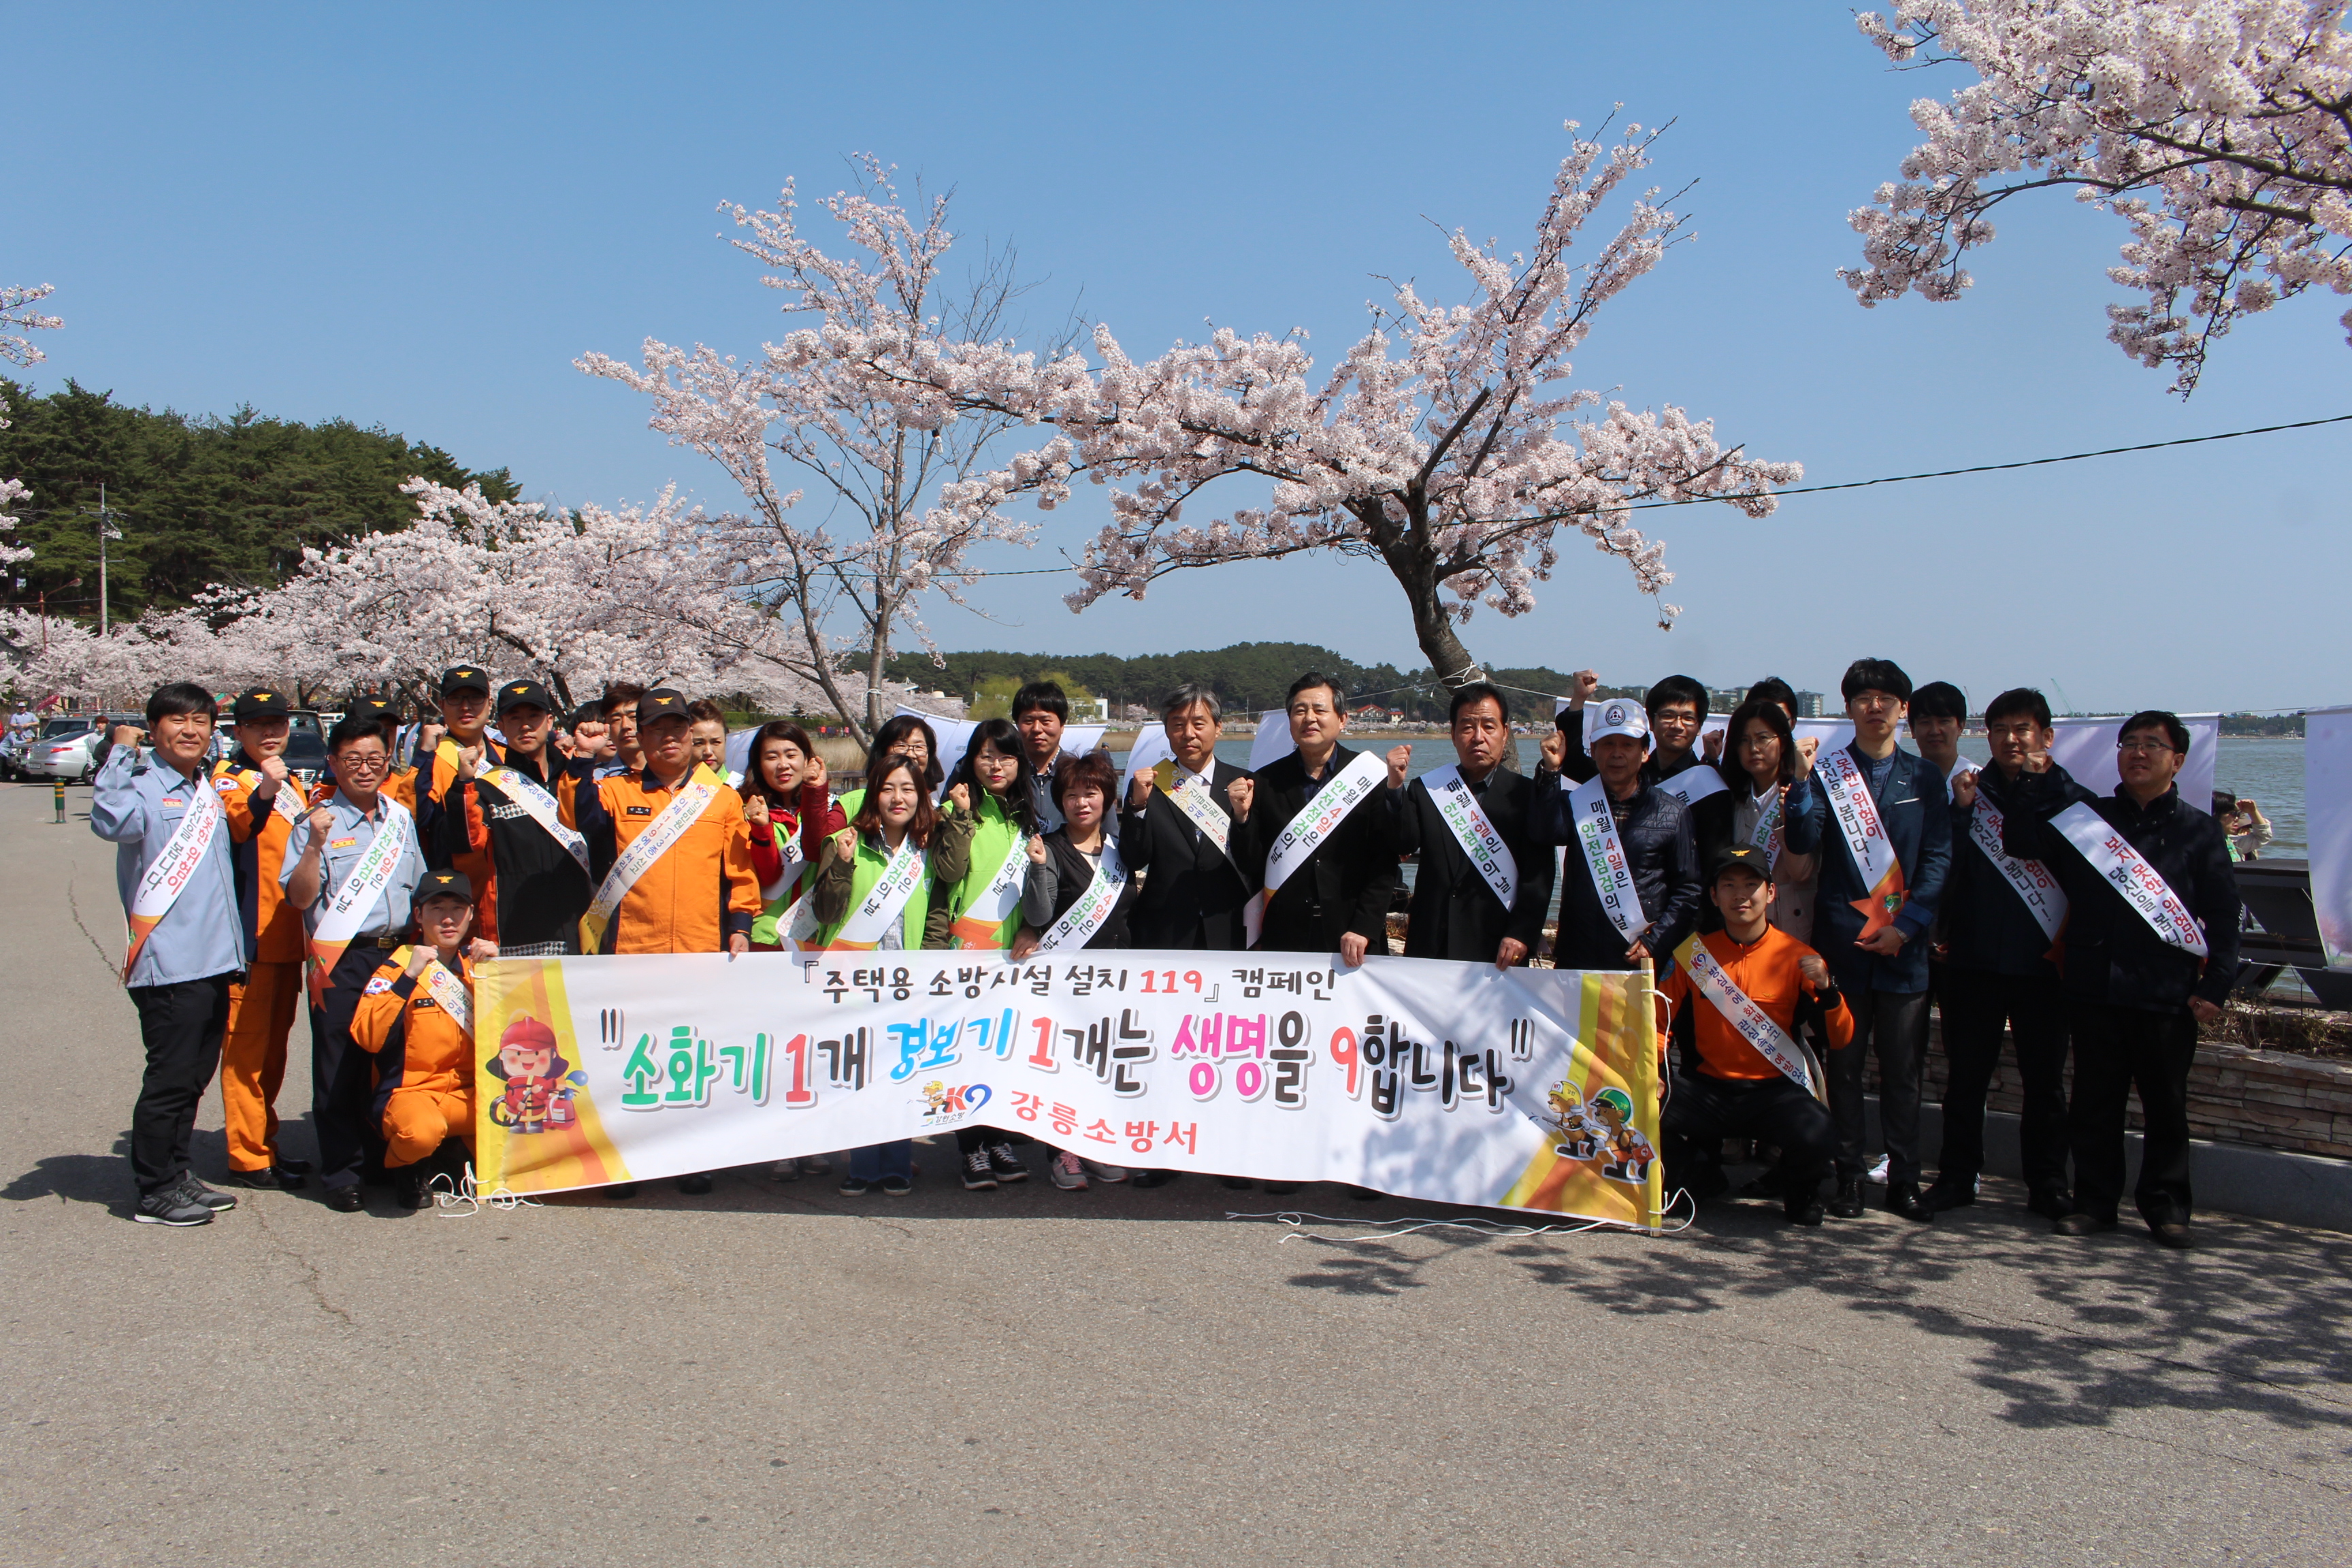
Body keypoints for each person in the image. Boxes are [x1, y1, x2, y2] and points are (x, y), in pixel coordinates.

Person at [2002, 710, 2240, 1248]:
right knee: (2094, 1103)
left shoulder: (2200, 830)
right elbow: (2020, 842)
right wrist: (2032, 782)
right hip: (2095, 984)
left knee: (2166, 1106)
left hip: (2167, 990)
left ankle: (2167, 1207)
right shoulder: (2091, 819)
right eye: (2129, 743)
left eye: (2152, 744)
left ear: (2178, 760)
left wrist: (2217, 985)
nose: (2138, 752)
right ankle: (2095, 1203)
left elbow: (2225, 915)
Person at [562, 687, 762, 1198]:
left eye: (677, 728)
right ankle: (624, 1160)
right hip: (632, 947)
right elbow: (577, 819)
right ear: (641, 737)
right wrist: (582, 760)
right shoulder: (614, 790)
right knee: (630, 1058)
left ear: (691, 735)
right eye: (657, 729)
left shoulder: (721, 797)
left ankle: (690, 1156)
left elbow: (739, 872)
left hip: (699, 947)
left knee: (690, 1056)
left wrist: (740, 926)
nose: (668, 738)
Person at [92, 684, 249, 1226]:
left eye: (200, 721)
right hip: (169, 964)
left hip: (215, 960)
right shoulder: (140, 786)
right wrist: (119, 751)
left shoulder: (203, 788)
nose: (190, 730)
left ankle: (179, 1174)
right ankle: (154, 1189)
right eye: (178, 720)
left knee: (193, 1079)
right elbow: (111, 823)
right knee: (169, 1080)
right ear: (154, 730)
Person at [1812, 657, 1950, 1224]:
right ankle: (1847, 1176)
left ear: (1903, 709)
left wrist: (1907, 926)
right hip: (1844, 947)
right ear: (1848, 708)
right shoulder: (1827, 774)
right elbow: (1804, 841)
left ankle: (1904, 1179)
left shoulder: (1925, 778)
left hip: (1904, 949)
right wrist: (1798, 783)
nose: (1875, 708)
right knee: (1843, 1069)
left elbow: (1938, 860)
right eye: (1863, 699)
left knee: (1902, 1073)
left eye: (1886, 699)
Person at [1932, 688, 2075, 1219]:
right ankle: (1957, 1176)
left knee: (2044, 1082)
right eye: (2000, 730)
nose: (2011, 739)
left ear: (2046, 737)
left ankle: (2048, 1183)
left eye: (2022, 729)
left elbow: (2045, 856)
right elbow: (1944, 868)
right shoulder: (1968, 792)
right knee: (1966, 1079)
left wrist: (2033, 789)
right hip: (1973, 960)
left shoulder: (2071, 798)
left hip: (2043, 965)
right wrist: (1962, 813)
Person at [1660, 847, 1855, 1226]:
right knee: (1635, 1107)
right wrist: (1654, 1075)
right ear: (1714, 896)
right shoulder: (1691, 956)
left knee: (1819, 1130)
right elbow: (1657, 1021)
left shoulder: (1798, 957)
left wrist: (1828, 991)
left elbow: (1841, 1039)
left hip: (1773, 1092)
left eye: (1751, 885)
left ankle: (1800, 1189)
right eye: (1729, 886)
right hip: (1707, 1090)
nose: (1741, 895)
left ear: (1771, 892)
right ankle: (1693, 1177)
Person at [282, 715, 431, 1212]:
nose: (365, 769)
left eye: (374, 759)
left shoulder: (400, 819)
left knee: (398, 1065)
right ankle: (342, 1173)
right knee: (339, 1066)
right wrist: (313, 846)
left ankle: (399, 1165)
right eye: (352, 760)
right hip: (341, 957)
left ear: (387, 763)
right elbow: (299, 899)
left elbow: (420, 888)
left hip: (396, 955)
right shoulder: (315, 822)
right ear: (333, 762)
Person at [1118, 683, 1258, 1188]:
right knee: (1168, 1044)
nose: (1189, 733)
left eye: (1199, 723)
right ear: (1167, 731)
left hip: (1227, 931)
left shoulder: (1244, 783)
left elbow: (1257, 860)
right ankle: (1165, 1151)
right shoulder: (1152, 783)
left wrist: (1243, 818)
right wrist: (1136, 808)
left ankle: (1228, 1151)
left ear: (1219, 727)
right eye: (1177, 724)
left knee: (1229, 1045)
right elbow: (1133, 858)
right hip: (1167, 931)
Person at [807, 753, 962, 1196]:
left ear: (921, 796)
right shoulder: (845, 840)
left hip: (908, 983)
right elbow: (825, 912)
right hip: (855, 981)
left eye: (908, 789)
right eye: (889, 788)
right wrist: (842, 863)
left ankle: (895, 1163)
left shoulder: (927, 849)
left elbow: (937, 916)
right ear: (873, 793)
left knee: (900, 1074)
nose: (899, 798)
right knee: (859, 1076)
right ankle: (861, 1165)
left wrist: (929, 967)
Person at [1010, 750, 1141, 1191]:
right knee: (1066, 1066)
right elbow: (1038, 912)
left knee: (1103, 1065)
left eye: (1091, 793)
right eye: (1071, 795)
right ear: (1060, 801)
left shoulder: (1120, 851)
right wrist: (1037, 868)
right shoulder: (1050, 847)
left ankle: (1095, 1145)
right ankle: (1062, 1152)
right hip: (1066, 982)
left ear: (1108, 799)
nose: (1081, 803)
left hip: (1116, 979)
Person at [932, 718, 1051, 1190]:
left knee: (1003, 1050)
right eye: (986, 756)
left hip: (1011, 955)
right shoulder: (954, 808)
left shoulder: (1024, 816)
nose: (996, 765)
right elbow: (949, 872)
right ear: (972, 760)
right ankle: (970, 1148)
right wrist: (961, 815)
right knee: (964, 1052)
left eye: (1006, 756)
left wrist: (1031, 927)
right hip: (964, 949)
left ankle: (998, 1138)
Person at [209, 687, 318, 1191]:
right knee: (247, 1054)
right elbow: (238, 825)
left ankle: (265, 1142)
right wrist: (265, 790)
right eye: (257, 725)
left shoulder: (291, 779)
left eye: (278, 723)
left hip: (288, 938)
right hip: (250, 941)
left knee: (274, 1053)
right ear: (238, 732)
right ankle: (247, 1156)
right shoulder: (229, 778)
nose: (270, 732)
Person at [1382, 681, 1556, 970]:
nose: (1478, 737)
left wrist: (1522, 933)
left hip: (1499, 946)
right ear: (1452, 734)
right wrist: (1395, 787)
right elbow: (1403, 843)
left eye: (1488, 726)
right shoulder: (1427, 789)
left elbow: (1539, 874)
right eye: (1467, 727)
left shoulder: (1527, 796)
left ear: (1505, 733)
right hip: (1432, 943)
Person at [1531, 696, 1701, 973]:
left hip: (1639, 958)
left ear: (1645, 752)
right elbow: (1543, 832)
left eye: (1627, 745)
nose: (1617, 753)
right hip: (1579, 956)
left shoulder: (1673, 812)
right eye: (1608, 744)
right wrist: (1550, 772)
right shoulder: (1575, 802)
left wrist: (1655, 942)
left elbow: (1688, 890)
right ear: (1593, 751)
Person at [350, 869, 481, 1210]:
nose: (448, 919)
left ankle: (454, 1154)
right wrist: (410, 976)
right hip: (413, 1094)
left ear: (471, 914)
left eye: (458, 908)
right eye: (437, 908)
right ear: (419, 916)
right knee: (420, 1134)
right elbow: (368, 1037)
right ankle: (406, 1167)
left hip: (471, 1091)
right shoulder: (397, 969)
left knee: (540, 1111)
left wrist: (500, 973)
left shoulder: (479, 967)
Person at [1251, 672, 1398, 966]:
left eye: (1320, 710)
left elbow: (1384, 861)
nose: (1309, 718)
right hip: (1284, 937)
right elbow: (1253, 860)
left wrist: (1364, 927)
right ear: (1289, 720)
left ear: (1342, 719)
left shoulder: (1371, 776)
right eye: (1300, 711)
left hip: (1353, 936)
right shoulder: (1265, 782)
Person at [444, 679, 593, 958]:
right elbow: (467, 841)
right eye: (514, 718)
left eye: (533, 716)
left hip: (581, 927)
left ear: (549, 721)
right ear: (500, 726)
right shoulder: (487, 786)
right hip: (517, 930)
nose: (525, 726)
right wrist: (463, 783)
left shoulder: (575, 780)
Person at [1691, 697, 1823, 942]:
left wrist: (1789, 820)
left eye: (1762, 738)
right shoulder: (1730, 797)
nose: (1753, 748)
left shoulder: (1802, 793)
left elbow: (1802, 872)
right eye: (1744, 740)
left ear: (1783, 742)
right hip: (1739, 927)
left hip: (1791, 929)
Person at [742, 720, 843, 951]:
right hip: (765, 937)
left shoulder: (832, 809)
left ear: (807, 759)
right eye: (771, 757)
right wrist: (761, 828)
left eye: (791, 755)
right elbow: (766, 877)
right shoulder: (744, 810)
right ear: (758, 764)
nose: (783, 765)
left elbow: (821, 855)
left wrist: (815, 793)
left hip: (817, 935)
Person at [407, 667, 501, 906]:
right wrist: (424, 755)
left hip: (504, 892)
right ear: (442, 705)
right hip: (454, 896)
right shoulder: (433, 759)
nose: (466, 707)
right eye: (455, 699)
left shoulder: (506, 756)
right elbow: (414, 818)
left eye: (476, 698)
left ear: (490, 704)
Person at [1554, 670, 1715, 796]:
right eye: (1668, 716)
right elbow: (1572, 762)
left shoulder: (1707, 782)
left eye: (1688, 718)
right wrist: (1579, 698)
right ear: (1651, 722)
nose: (1677, 726)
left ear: (1699, 726)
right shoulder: (1626, 770)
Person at [1013, 679, 1084, 831]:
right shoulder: (1005, 775)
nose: (1037, 729)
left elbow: (1110, 836)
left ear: (1062, 725)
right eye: (1028, 721)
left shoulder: (1082, 774)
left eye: (1046, 721)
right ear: (1017, 725)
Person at [1909, 681, 1971, 786]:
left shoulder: (1980, 784)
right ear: (1912, 729)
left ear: (1961, 726)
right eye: (1925, 722)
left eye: (1944, 721)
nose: (1935, 731)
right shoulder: (1898, 782)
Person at [593, 681, 646, 778]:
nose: (625, 726)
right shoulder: (597, 779)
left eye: (633, 717)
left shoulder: (672, 773)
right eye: (616, 720)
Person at [2212, 791, 2272, 862]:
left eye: (2237, 814)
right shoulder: (2203, 846)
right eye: (2232, 813)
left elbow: (2262, 837)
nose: (2236, 819)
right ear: (2214, 815)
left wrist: (2253, 812)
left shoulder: (2231, 844)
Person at [686, 699, 730, 777]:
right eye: (699, 743)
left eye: (716, 742)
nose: (708, 752)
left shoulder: (739, 784)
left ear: (725, 742)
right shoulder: (670, 784)